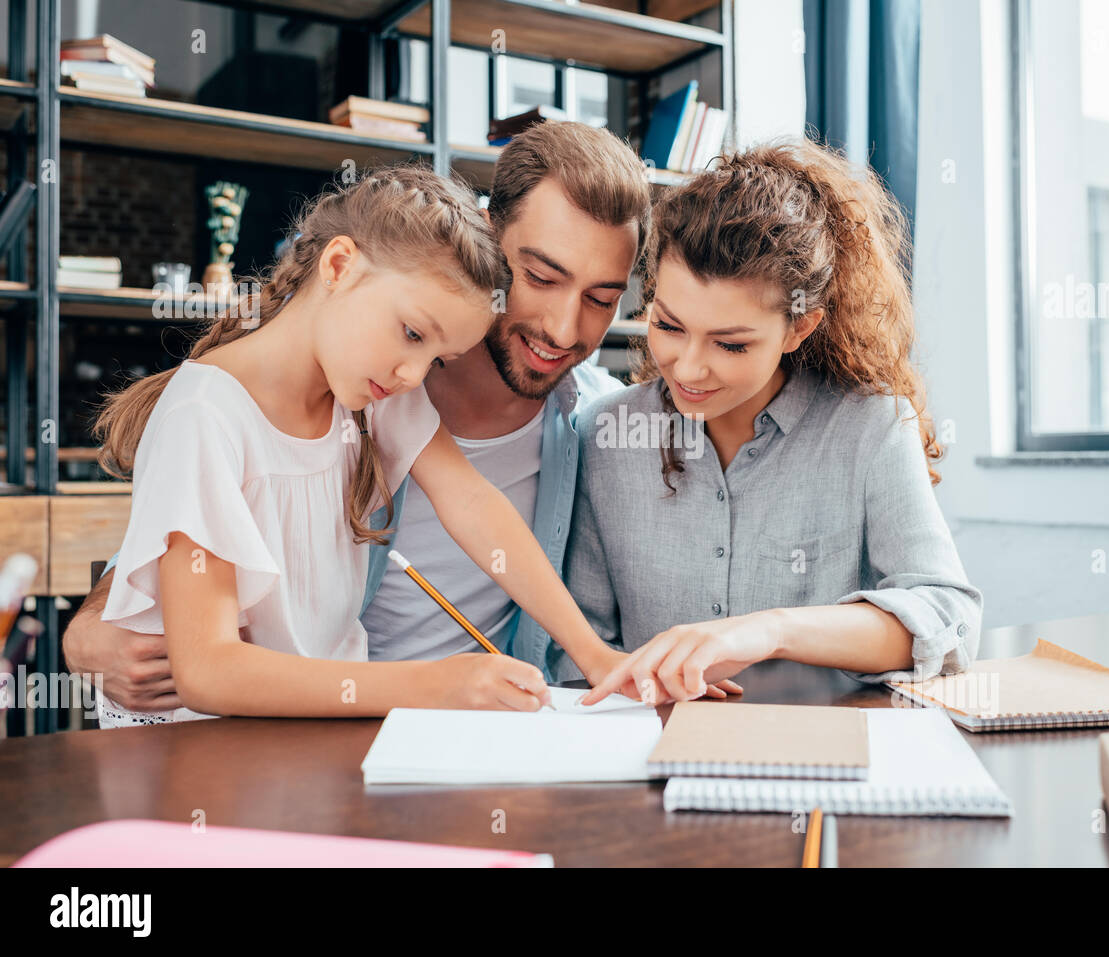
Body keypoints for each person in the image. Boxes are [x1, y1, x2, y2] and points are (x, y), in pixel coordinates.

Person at [64, 122, 741, 712]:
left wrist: (597, 656)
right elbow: (168, 572)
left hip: (391, 735)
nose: (565, 325)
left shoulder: (585, 418)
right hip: (277, 734)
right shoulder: (344, 380)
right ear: (488, 242)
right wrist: (87, 629)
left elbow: (475, 506)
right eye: (540, 277)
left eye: (600, 297)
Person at [576, 139, 983, 705]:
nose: (688, 367)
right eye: (669, 326)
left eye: (731, 343)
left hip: (827, 759)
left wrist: (771, 631)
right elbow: (578, 646)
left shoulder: (870, 428)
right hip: (651, 753)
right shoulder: (604, 435)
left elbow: (950, 618)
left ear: (799, 328)